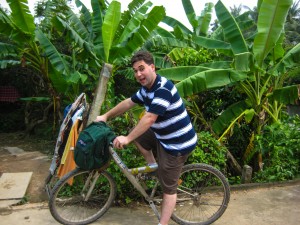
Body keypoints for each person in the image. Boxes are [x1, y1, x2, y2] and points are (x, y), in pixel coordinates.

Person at [95, 50, 197, 225]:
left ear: (152, 67)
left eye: (141, 69)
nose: (138, 74)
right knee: (139, 137)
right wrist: (105, 116)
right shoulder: (147, 89)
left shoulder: (163, 89)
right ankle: (153, 167)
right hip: (162, 134)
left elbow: (149, 119)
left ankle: (162, 223)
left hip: (177, 144)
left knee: (169, 190)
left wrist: (126, 138)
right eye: (135, 71)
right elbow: (129, 102)